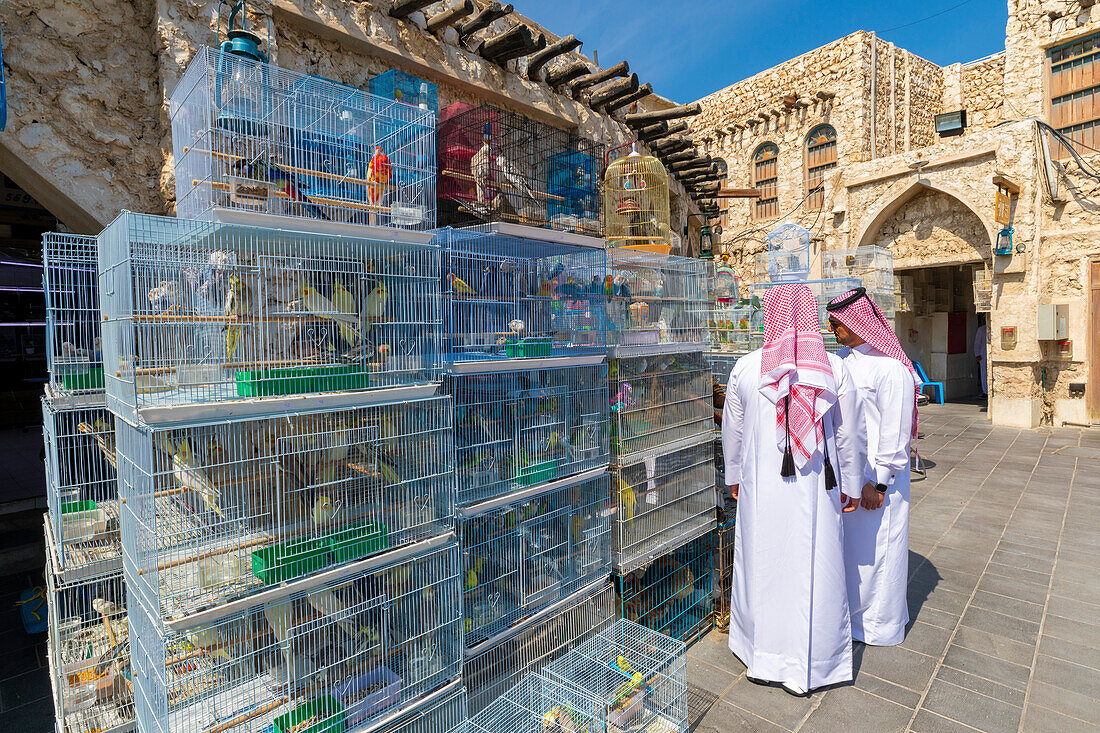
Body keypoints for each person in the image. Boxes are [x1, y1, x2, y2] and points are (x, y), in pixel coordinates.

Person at [722, 284, 864, 696]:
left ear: (770, 318)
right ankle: (814, 658)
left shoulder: (746, 368)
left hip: (761, 490)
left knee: (762, 561)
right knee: (814, 564)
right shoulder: (834, 370)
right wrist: (852, 485)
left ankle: (761, 653)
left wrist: (735, 478)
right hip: (817, 490)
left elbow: (732, 434)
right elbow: (849, 437)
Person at [826, 287, 921, 647]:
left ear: (859, 320)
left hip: (880, 483)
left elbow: (895, 433)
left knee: (880, 554)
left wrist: (878, 484)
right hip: (850, 480)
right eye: (832, 322)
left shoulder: (891, 369)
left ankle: (880, 626)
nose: (833, 328)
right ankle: (851, 620)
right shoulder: (844, 361)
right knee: (854, 555)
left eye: (838, 322)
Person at [973, 315, 988, 399]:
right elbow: (977, 342)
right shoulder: (981, 329)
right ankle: (985, 391)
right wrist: (977, 354)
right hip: (983, 354)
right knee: (984, 372)